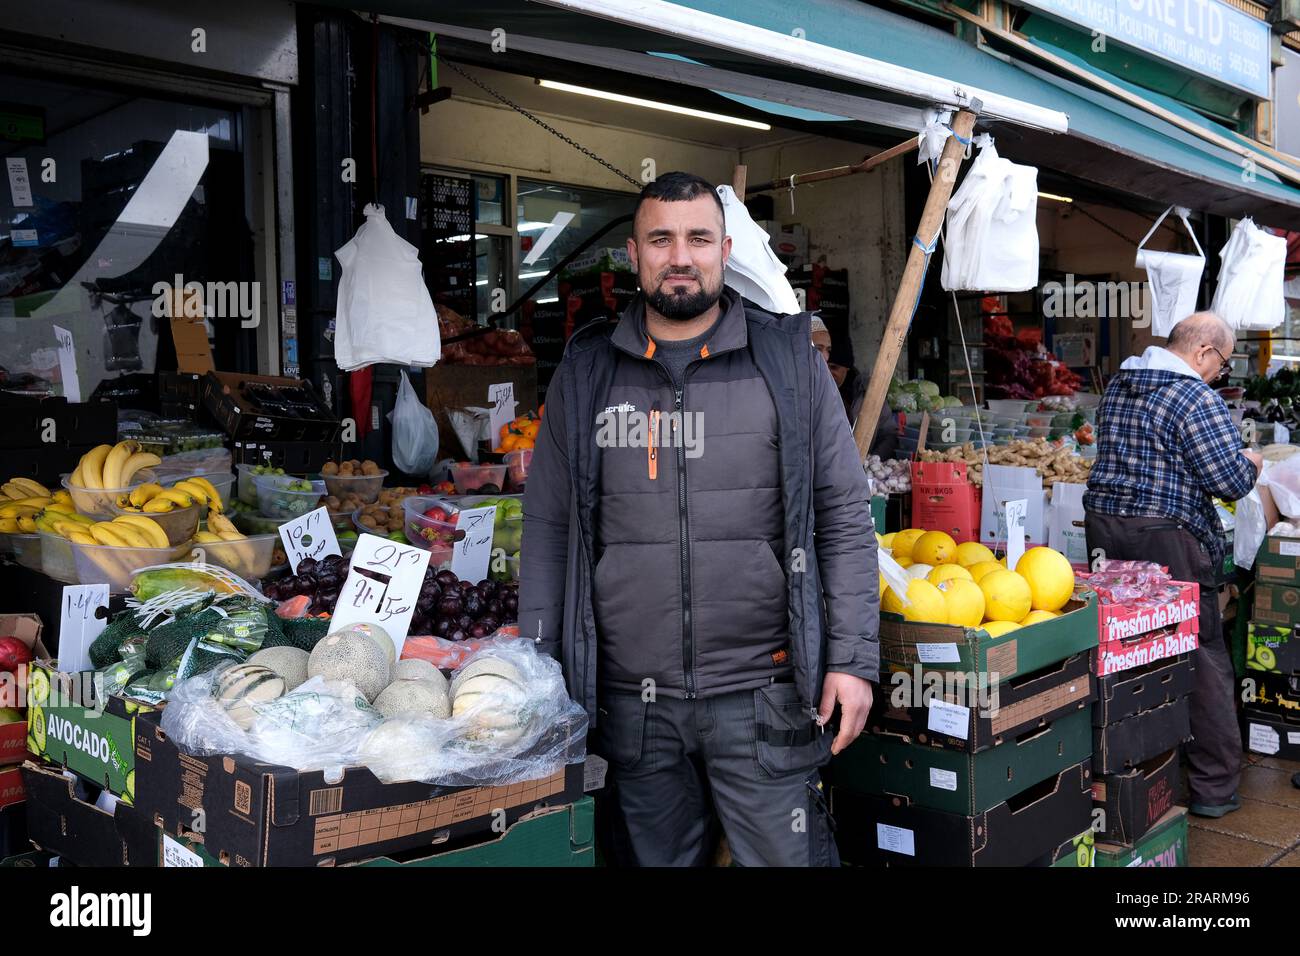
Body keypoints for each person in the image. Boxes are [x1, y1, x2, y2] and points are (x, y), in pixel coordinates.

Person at [520, 171, 879, 867]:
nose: (679, 256)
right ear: (634, 254)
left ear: (724, 249)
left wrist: (854, 659)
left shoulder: (787, 360)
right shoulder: (589, 371)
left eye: (698, 238)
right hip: (630, 706)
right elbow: (549, 528)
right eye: (661, 239)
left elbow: (842, 515)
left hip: (763, 695)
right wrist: (540, 668)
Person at [1083, 311, 1262, 818]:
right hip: (1167, 538)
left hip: (1106, 530)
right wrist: (1251, 463)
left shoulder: (1121, 382)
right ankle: (1212, 787)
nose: (1220, 376)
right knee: (1199, 649)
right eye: (1222, 365)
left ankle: (1126, 773)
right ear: (1204, 352)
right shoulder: (1193, 396)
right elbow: (1228, 481)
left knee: (1126, 647)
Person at [810, 316, 898, 459]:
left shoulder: (868, 393)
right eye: (824, 365)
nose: (827, 371)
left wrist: (870, 461)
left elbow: (888, 434)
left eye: (834, 367)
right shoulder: (811, 393)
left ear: (847, 368)